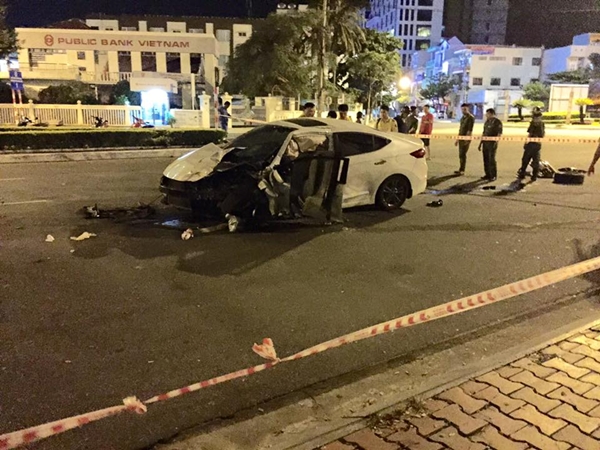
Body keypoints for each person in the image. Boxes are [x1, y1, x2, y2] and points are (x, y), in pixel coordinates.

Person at [518, 107, 545, 181]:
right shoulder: (532, 124)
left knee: (536, 161)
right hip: (530, 144)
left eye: (537, 118)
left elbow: (542, 135)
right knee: (525, 160)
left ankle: (534, 176)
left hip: (536, 145)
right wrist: (526, 141)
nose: (535, 120)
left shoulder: (541, 125)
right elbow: (529, 133)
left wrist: (537, 140)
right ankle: (522, 173)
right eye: (535, 118)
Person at [478, 108, 503, 181]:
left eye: (488, 114)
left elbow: (499, 133)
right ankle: (487, 174)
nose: (486, 115)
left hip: (492, 144)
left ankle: (493, 175)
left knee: (491, 159)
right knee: (485, 159)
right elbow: (484, 133)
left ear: (492, 114)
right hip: (485, 143)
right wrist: (480, 143)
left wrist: (496, 142)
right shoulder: (487, 122)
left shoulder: (497, 122)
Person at [454, 103, 475, 175]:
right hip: (461, 138)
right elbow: (460, 129)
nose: (463, 111)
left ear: (468, 109)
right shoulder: (462, 118)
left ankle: (462, 170)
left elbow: (469, 130)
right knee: (461, 154)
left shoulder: (470, 118)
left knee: (463, 154)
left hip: (466, 138)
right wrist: (457, 139)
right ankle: (461, 169)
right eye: (462, 109)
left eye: (465, 109)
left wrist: (467, 139)